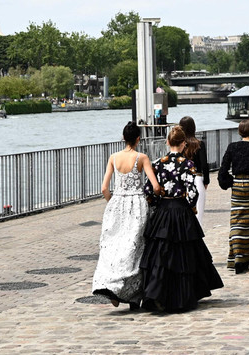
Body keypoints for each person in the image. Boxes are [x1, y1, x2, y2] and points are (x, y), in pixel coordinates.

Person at [139, 125, 224, 311]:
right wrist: (190, 208)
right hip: (181, 209)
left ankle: (157, 293)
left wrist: (157, 205)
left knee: (160, 254)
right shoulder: (187, 164)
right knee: (185, 255)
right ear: (184, 143)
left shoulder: (157, 163)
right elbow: (193, 192)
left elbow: (148, 190)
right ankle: (182, 295)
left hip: (163, 210)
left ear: (167, 142)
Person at [92, 122, 162, 308]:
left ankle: (111, 286)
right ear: (138, 139)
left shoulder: (113, 157)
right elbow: (155, 186)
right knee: (135, 249)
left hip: (117, 203)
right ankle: (131, 295)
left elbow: (104, 188)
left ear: (123, 138)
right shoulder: (142, 158)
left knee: (114, 246)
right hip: (137, 204)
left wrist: (113, 202)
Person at [217, 119, 249, 273]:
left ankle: (237, 254)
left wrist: (229, 182)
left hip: (238, 187)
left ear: (239, 132)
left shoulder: (232, 147)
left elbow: (223, 169)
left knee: (237, 220)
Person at [180, 116, 209, 225]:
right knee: (198, 213)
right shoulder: (199, 144)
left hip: (183, 179)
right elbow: (204, 164)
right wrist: (206, 181)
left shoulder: (180, 144)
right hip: (197, 177)